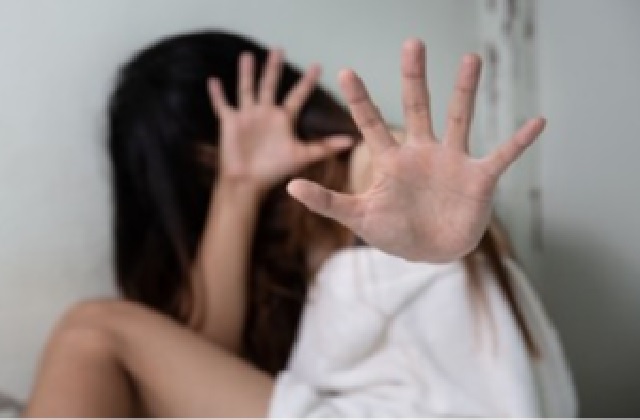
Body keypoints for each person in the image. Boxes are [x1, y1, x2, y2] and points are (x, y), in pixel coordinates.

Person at [24, 31, 575, 417]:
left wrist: (453, 245)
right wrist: (238, 190)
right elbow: (205, 364)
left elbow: (460, 253)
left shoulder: (377, 171)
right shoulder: (273, 238)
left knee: (92, 330)